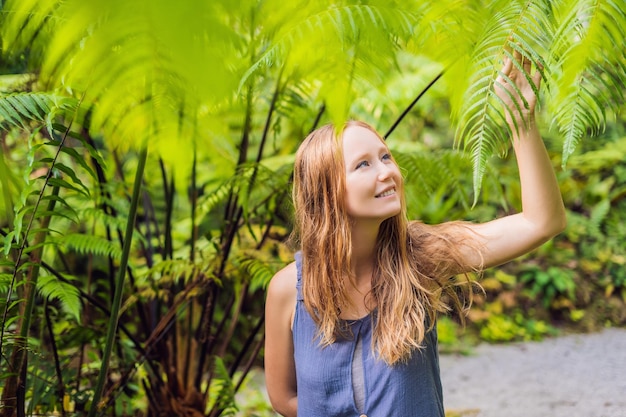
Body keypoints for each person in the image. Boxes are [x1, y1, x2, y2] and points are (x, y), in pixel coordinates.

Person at [264, 49, 567, 417]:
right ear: (326, 193)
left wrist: (521, 121)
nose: (387, 172)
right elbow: (283, 398)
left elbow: (541, 222)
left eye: (386, 157)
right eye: (363, 164)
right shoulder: (287, 289)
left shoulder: (422, 257)